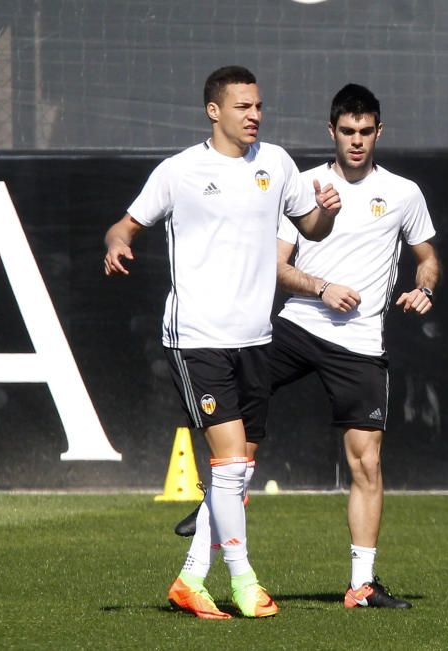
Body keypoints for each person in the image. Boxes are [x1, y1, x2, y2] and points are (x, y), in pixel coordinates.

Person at [177, 83, 440, 609]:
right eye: (347, 131)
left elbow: (427, 256)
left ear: (378, 132)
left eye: (366, 132)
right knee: (240, 440)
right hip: (297, 327)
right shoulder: (303, 184)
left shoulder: (404, 193)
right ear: (332, 131)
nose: (357, 141)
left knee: (366, 463)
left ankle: (361, 585)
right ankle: (214, 506)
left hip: (361, 342)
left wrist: (424, 287)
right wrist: (322, 288)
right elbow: (278, 266)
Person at [103, 65, 341, 619]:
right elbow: (124, 226)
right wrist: (117, 245)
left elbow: (311, 228)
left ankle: (190, 578)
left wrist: (326, 213)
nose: (254, 114)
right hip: (198, 339)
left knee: (238, 471)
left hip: (256, 339)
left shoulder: (277, 163)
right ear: (215, 111)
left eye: (258, 106)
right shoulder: (180, 171)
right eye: (242, 106)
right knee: (230, 465)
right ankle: (244, 581)